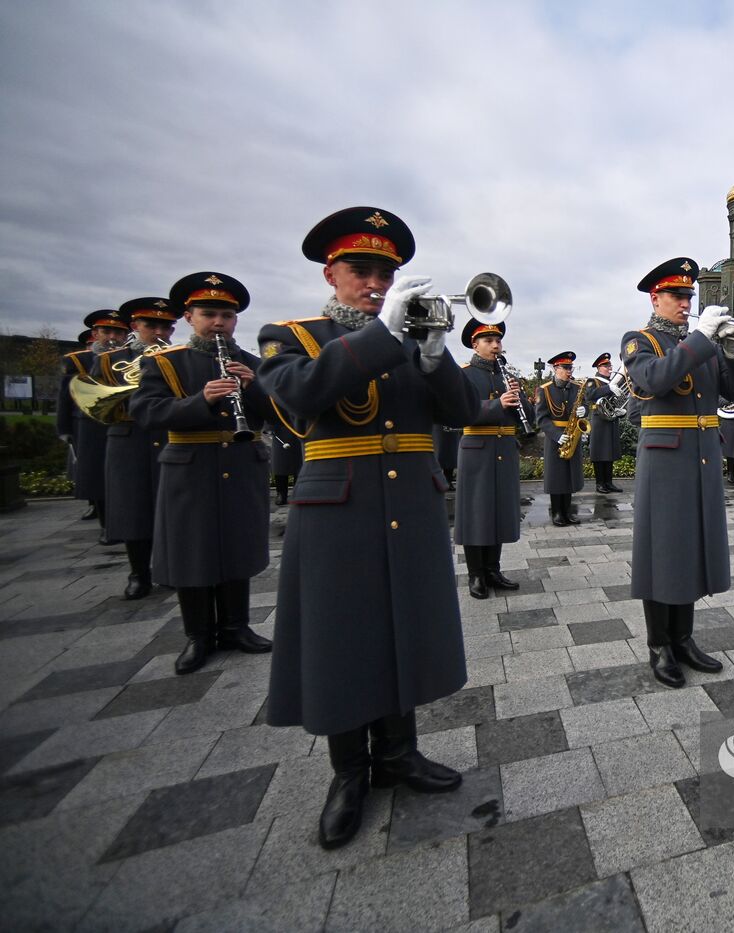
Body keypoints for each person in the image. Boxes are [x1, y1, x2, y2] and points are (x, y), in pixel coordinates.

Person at [257, 206, 477, 849]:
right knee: (343, 636)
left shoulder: (410, 340)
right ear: (332, 273)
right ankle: (350, 771)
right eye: (361, 270)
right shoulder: (290, 334)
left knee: (402, 625)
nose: (376, 283)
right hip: (338, 509)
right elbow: (300, 394)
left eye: (386, 272)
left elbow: (464, 412)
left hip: (409, 500)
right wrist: (385, 333)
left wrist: (437, 358)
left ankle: (401, 754)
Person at [621, 257, 734, 686]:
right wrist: (701, 338)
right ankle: (659, 645)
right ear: (654, 298)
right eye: (677, 296)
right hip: (664, 460)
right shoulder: (639, 340)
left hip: (700, 457)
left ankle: (683, 638)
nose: (685, 302)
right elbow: (653, 380)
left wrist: (732, 351)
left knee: (691, 548)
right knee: (663, 552)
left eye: (688, 296)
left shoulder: (704, 344)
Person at [130, 272, 273, 675]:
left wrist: (257, 389)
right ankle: (198, 635)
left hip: (242, 465)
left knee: (237, 545)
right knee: (193, 550)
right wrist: (200, 401)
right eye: (208, 314)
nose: (218, 323)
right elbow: (147, 413)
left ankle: (236, 626)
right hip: (189, 467)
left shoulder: (252, 363)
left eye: (226, 316)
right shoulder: (166, 362)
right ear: (190, 317)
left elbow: (284, 413)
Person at [93, 298, 180, 598]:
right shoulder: (109, 360)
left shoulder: (177, 357)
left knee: (170, 507)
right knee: (133, 508)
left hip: (167, 436)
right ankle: (138, 573)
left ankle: (168, 568)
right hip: (129, 439)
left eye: (166, 326)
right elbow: (96, 405)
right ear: (135, 327)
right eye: (150, 325)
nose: (159, 331)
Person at [455, 316, 533, 599]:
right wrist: (496, 404)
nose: (495, 345)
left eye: (498, 340)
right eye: (488, 341)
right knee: (477, 512)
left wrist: (519, 397)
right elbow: (458, 413)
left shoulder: (506, 375)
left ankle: (493, 569)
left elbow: (528, 417)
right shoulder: (462, 374)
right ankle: (475, 574)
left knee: (498, 510)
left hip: (504, 449)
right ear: (475, 345)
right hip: (477, 448)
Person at [61, 312, 126, 536]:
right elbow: (65, 397)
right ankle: (106, 525)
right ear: (95, 334)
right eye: (106, 332)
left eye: (118, 332)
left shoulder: (133, 357)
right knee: (96, 476)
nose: (112, 337)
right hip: (90, 426)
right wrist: (65, 429)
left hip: (123, 423)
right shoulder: (79, 360)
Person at [535, 352, 586, 525]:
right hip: (555, 436)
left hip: (573, 434)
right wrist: (557, 435)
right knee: (557, 476)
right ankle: (557, 512)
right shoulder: (544, 389)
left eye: (570, 367)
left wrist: (584, 411)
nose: (568, 371)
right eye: (565, 368)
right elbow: (541, 418)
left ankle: (567, 511)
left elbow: (584, 405)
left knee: (570, 475)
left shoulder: (577, 388)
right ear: (555, 368)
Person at [583, 353, 625, 493]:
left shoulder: (611, 382)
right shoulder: (593, 381)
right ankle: (600, 483)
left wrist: (620, 410)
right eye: (606, 366)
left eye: (610, 365)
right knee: (599, 452)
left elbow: (615, 400)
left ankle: (609, 482)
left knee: (609, 452)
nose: (609, 368)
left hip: (611, 419)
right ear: (599, 368)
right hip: (598, 419)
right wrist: (608, 388)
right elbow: (590, 395)